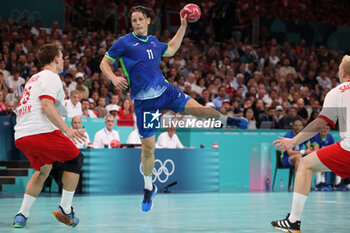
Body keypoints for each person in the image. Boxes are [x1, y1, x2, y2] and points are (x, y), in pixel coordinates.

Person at [100, 5, 247, 212]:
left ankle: (227, 121)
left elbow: (171, 49)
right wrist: (114, 77)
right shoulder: (124, 42)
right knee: (149, 149)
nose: (137, 23)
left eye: (140, 19)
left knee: (200, 109)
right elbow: (104, 63)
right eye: (134, 20)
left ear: (148, 21)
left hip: (166, 91)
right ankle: (149, 187)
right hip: (145, 103)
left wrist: (183, 25)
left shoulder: (153, 41)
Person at [271, 55, 350, 232]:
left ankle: (293, 221)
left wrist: (294, 141)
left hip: (349, 150)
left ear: (343, 73)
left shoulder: (337, 92)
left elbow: (320, 123)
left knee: (305, 165)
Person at [12, 42, 86, 228]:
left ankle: (22, 215)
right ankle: (65, 209)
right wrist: (68, 130)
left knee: (43, 169)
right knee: (75, 159)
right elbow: (46, 105)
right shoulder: (52, 76)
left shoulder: (33, 79)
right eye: (62, 56)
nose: (63, 60)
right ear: (56, 59)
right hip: (40, 131)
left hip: (21, 135)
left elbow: (52, 106)